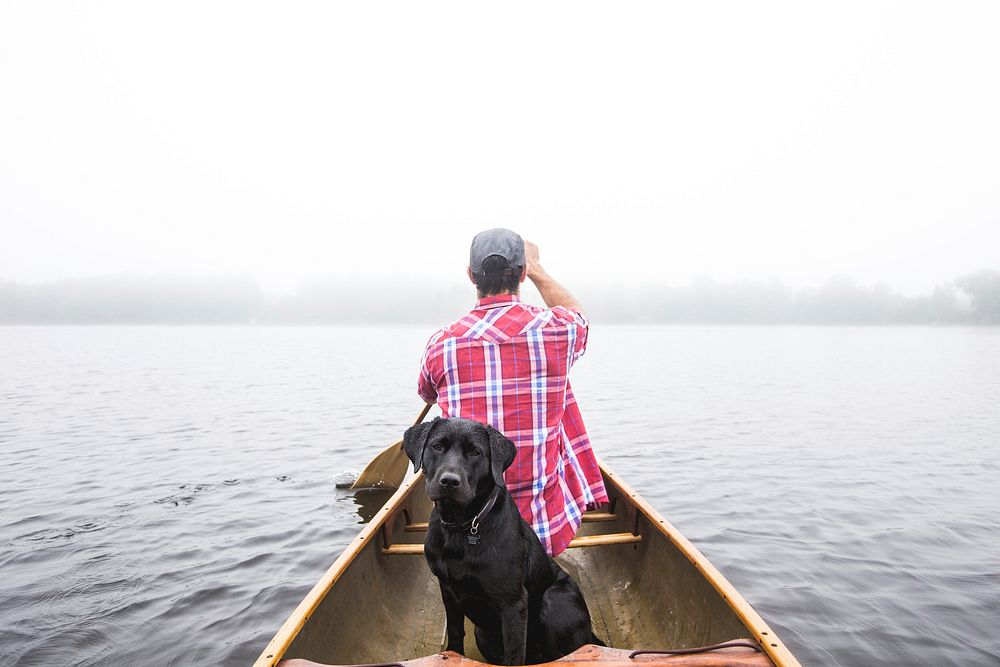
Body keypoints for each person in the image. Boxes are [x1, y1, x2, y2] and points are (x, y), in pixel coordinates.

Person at [417, 228, 608, 556]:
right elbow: (580, 316)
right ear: (521, 273)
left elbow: (427, 394)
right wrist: (537, 267)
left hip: (464, 534)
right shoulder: (559, 331)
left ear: (471, 275)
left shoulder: (441, 345)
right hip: (541, 533)